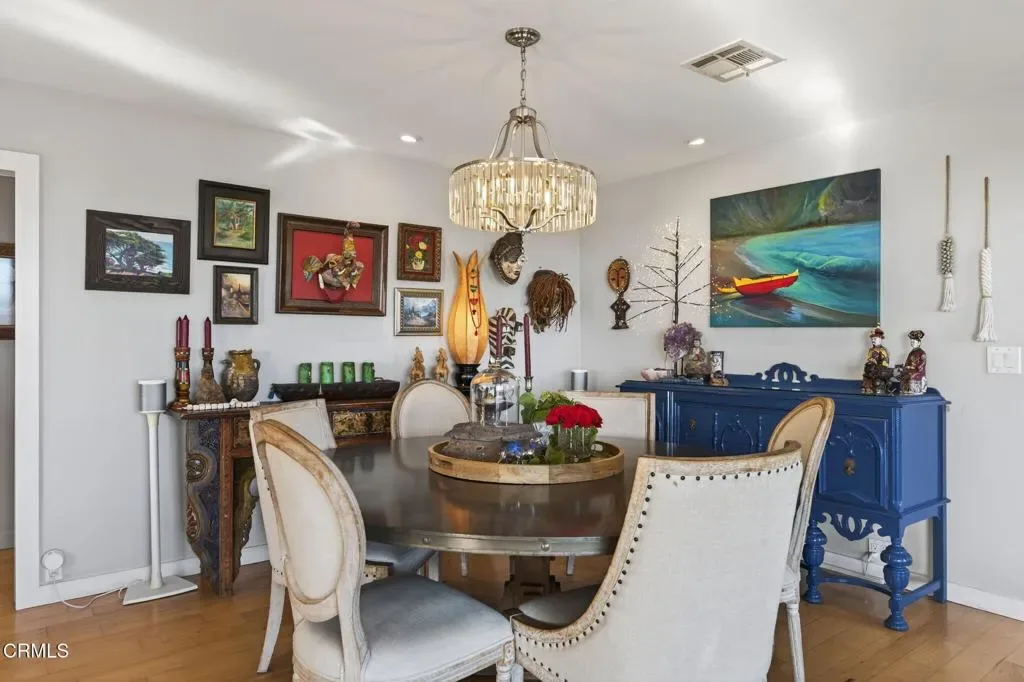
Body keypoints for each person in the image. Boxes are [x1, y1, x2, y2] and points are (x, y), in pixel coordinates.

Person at [900, 330, 927, 395]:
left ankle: (914, 389)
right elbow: (907, 362)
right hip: (910, 369)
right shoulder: (911, 353)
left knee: (911, 375)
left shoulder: (922, 353)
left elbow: (923, 364)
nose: (912, 343)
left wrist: (914, 368)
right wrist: (906, 367)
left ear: (919, 343)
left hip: (918, 371)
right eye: (911, 342)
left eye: (914, 342)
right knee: (903, 374)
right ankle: (905, 389)